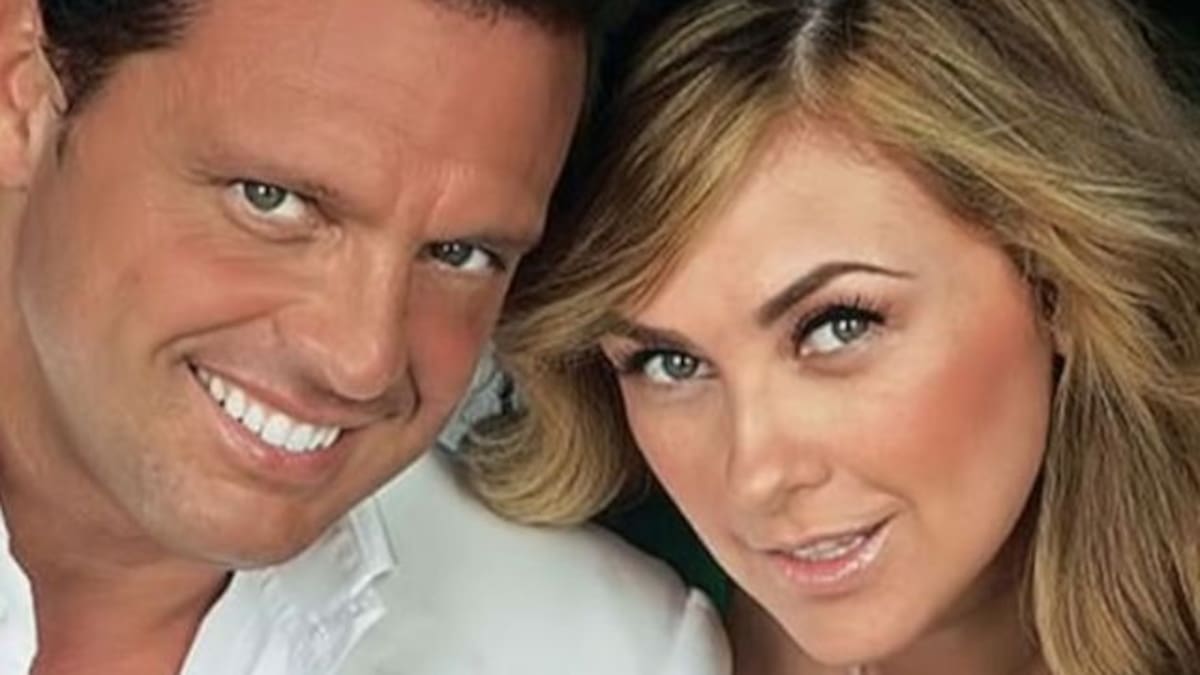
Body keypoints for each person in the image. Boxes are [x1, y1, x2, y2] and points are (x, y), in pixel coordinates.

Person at [0, 0, 730, 672]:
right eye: (271, 200)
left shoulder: (607, 653)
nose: (362, 360)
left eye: (461, 254)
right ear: (22, 94)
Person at [473, 0, 1200, 673]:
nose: (756, 476)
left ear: (1056, 284)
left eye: (838, 326)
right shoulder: (570, 619)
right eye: (669, 362)